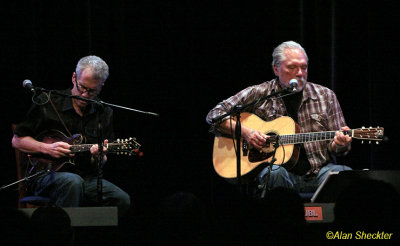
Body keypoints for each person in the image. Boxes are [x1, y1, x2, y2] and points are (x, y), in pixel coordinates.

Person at [206, 41, 352, 196]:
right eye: (292, 67)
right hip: (278, 173)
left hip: (319, 173)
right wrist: (247, 133)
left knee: (344, 174)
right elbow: (214, 115)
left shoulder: (325, 96)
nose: (300, 73)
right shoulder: (260, 93)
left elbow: (338, 149)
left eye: (304, 67)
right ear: (276, 69)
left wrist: (340, 144)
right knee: (276, 174)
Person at [12, 55, 130, 216]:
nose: (85, 95)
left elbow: (100, 162)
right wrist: (47, 148)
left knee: (121, 199)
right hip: (44, 176)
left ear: (101, 86)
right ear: (74, 77)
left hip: (85, 178)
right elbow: (17, 140)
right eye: (82, 87)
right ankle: (65, 236)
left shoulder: (104, 113)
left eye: (92, 91)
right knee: (72, 182)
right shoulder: (48, 102)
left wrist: (98, 158)